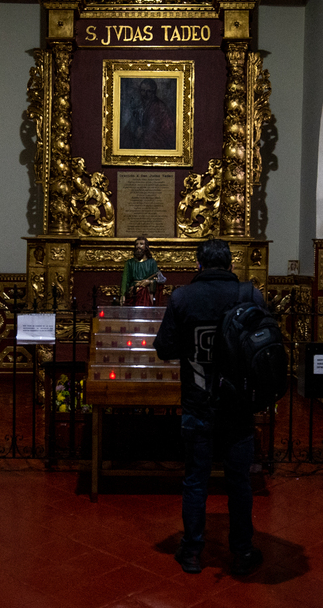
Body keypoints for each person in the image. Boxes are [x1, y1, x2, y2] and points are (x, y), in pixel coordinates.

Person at [154, 238, 263, 576]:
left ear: (198, 265)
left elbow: (164, 348)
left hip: (198, 403)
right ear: (230, 264)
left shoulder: (184, 297)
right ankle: (242, 551)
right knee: (239, 481)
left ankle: (191, 552)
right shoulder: (250, 295)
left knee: (196, 480)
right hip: (240, 406)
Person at [120, 78, 176, 150]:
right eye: (143, 90)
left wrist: (144, 132)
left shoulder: (159, 107)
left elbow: (165, 131)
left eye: (148, 91)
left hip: (157, 140)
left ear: (154, 92)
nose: (145, 94)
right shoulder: (140, 104)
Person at [120, 236, 159, 306]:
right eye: (137, 244)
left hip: (146, 294)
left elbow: (157, 279)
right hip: (133, 293)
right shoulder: (130, 263)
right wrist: (123, 295)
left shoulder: (152, 262)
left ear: (146, 247)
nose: (138, 246)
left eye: (141, 244)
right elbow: (125, 280)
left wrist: (149, 282)